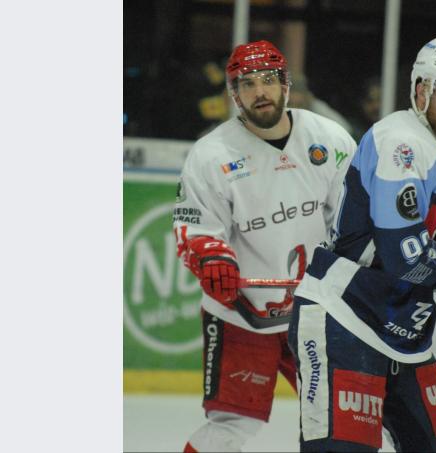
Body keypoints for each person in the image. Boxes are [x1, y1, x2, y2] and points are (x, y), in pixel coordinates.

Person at [288, 37, 436, 452]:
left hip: (399, 324)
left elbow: (412, 242)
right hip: (343, 315)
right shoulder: (401, 141)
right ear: (421, 91)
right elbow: (405, 254)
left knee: (435, 446)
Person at [173, 40, 357, 452]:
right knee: (230, 426)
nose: (260, 92)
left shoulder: (330, 139)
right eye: (248, 83)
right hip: (242, 315)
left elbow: (354, 220)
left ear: (286, 85)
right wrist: (212, 259)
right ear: (233, 94)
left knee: (351, 422)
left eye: (269, 81)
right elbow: (195, 228)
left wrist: (370, 268)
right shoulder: (210, 155)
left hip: (317, 312)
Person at [288, 71, 354, 134]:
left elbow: (344, 128)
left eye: (299, 105)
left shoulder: (314, 109)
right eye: (290, 104)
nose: (295, 109)